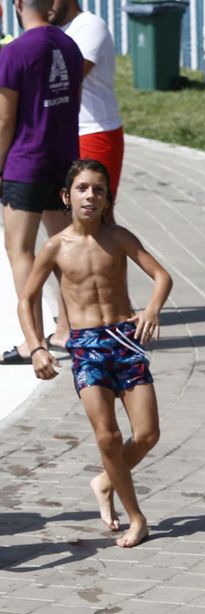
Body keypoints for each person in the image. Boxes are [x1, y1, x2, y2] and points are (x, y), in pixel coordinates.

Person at [20, 158, 170, 548]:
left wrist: (151, 308)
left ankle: (106, 481)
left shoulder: (118, 237)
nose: (91, 196)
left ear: (107, 199)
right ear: (66, 197)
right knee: (108, 437)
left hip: (124, 340)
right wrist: (37, 347)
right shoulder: (55, 247)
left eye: (99, 190)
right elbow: (27, 300)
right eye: (83, 189)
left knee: (148, 433)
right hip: (87, 348)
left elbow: (162, 276)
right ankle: (137, 517)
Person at [0, 0, 82, 364]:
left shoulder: (14, 52)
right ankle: (69, 331)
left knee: (20, 251)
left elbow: (4, 121)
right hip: (64, 161)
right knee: (65, 250)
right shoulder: (70, 46)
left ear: (17, 5)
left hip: (25, 164)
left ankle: (32, 343)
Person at [52, 0, 123, 201]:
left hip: (94, 131)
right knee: (66, 212)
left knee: (98, 215)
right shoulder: (54, 32)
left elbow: (69, 76)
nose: (46, 5)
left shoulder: (90, 25)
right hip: (65, 133)